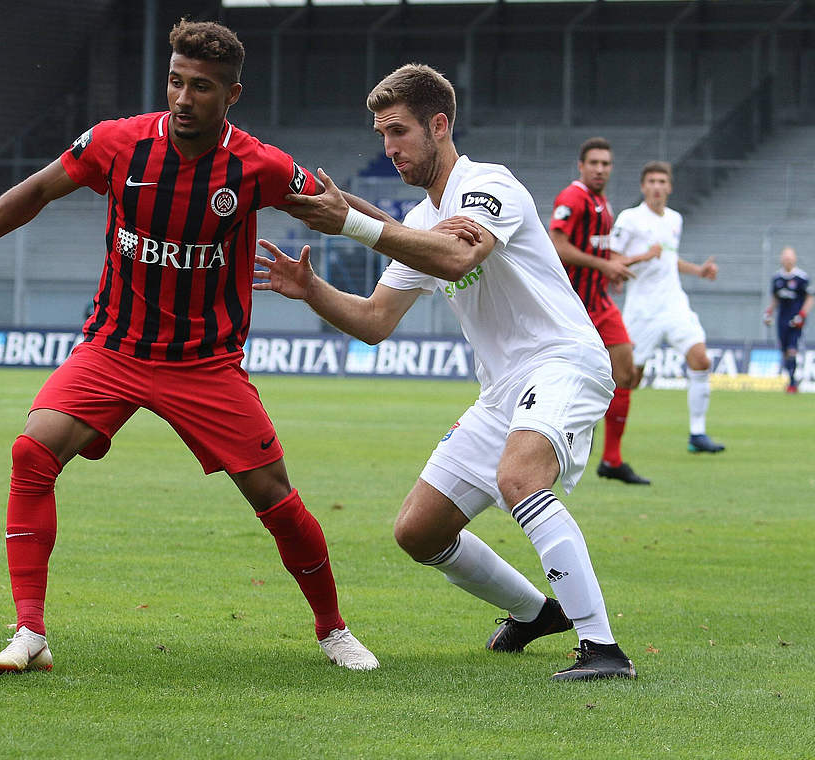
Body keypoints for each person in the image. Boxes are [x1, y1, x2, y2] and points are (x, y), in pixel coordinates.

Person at [0, 20, 378, 673]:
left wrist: (408, 240)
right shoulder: (118, 143)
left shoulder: (257, 166)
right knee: (32, 450)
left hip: (204, 362)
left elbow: (335, 205)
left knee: (275, 497)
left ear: (232, 94)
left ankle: (333, 630)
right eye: (175, 81)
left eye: (202, 87)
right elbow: (37, 191)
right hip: (114, 346)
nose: (184, 97)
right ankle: (31, 632)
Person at [259, 63, 635, 680]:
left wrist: (354, 221)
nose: (389, 148)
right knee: (418, 532)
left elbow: (460, 254)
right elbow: (376, 320)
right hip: (503, 390)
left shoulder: (490, 185)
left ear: (439, 125)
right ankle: (537, 612)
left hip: (563, 360)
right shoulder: (424, 228)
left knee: (520, 477)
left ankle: (602, 649)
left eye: (399, 132)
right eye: (381, 134)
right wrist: (311, 288)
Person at [549, 138, 649, 485]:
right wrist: (603, 266)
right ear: (581, 165)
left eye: (606, 164)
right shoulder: (572, 198)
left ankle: (612, 459)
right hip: (572, 307)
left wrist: (613, 269)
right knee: (563, 383)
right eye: (594, 163)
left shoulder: (602, 203)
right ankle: (557, 444)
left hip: (601, 304)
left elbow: (597, 254)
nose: (600, 169)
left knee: (626, 372)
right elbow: (557, 245)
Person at [609, 161, 725, 453]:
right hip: (643, 309)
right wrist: (643, 257)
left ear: (669, 187)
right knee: (628, 379)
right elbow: (612, 261)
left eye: (662, 181)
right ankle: (594, 428)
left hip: (674, 304)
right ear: (643, 186)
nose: (657, 187)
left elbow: (669, 258)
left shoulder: (674, 219)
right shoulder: (630, 219)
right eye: (651, 181)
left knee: (701, 359)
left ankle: (697, 435)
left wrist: (699, 271)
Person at [764, 247, 813, 393]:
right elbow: (775, 299)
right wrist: (769, 313)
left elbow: (810, 299)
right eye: (785, 258)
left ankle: (792, 383)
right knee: (784, 350)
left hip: (796, 319)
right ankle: (791, 379)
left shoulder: (801, 278)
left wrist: (802, 315)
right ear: (781, 259)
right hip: (782, 319)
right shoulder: (777, 278)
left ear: (795, 259)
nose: (787, 260)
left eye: (790, 258)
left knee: (793, 349)